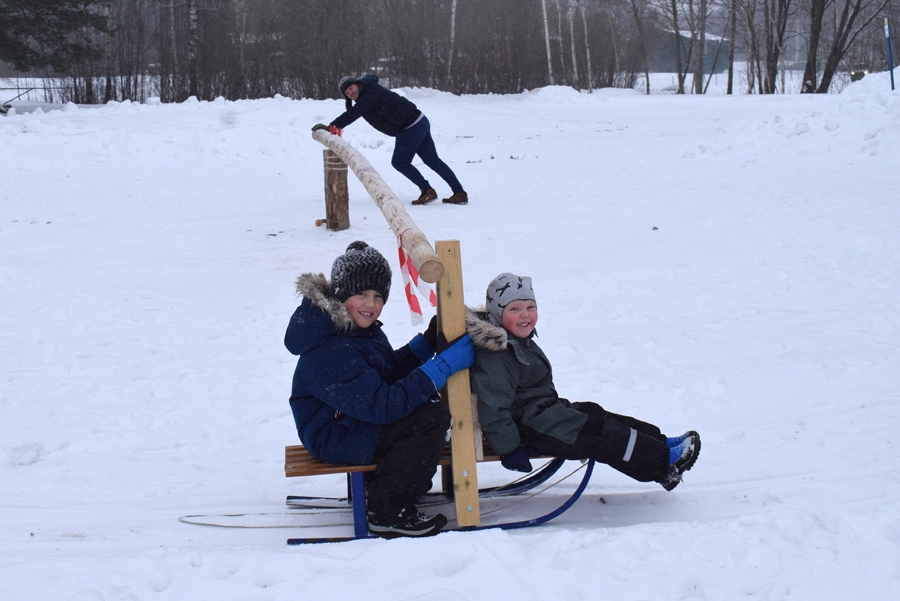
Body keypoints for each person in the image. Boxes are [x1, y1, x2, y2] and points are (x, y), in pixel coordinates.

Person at [284, 241, 474, 538]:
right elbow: (381, 404)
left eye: (377, 296)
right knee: (428, 419)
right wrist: (439, 370)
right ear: (341, 295)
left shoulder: (355, 329)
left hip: (347, 420)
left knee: (423, 410)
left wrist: (423, 347)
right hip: (334, 433)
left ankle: (387, 484)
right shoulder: (332, 348)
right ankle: (388, 509)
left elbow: (380, 374)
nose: (370, 304)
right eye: (360, 293)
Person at [467, 273, 700, 491]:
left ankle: (661, 444)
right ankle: (664, 463)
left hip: (543, 414)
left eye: (531, 307)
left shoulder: (516, 339)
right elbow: (493, 407)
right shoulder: (495, 354)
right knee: (599, 435)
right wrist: (509, 449)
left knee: (595, 413)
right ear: (497, 313)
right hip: (530, 428)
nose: (525, 315)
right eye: (515, 309)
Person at [314, 74, 468, 206]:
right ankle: (459, 193)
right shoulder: (366, 95)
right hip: (418, 121)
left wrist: (334, 126)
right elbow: (357, 110)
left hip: (410, 126)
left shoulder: (371, 91)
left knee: (400, 162)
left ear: (357, 84)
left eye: (351, 88)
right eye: (347, 93)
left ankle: (427, 190)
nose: (350, 93)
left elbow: (356, 111)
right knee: (432, 160)